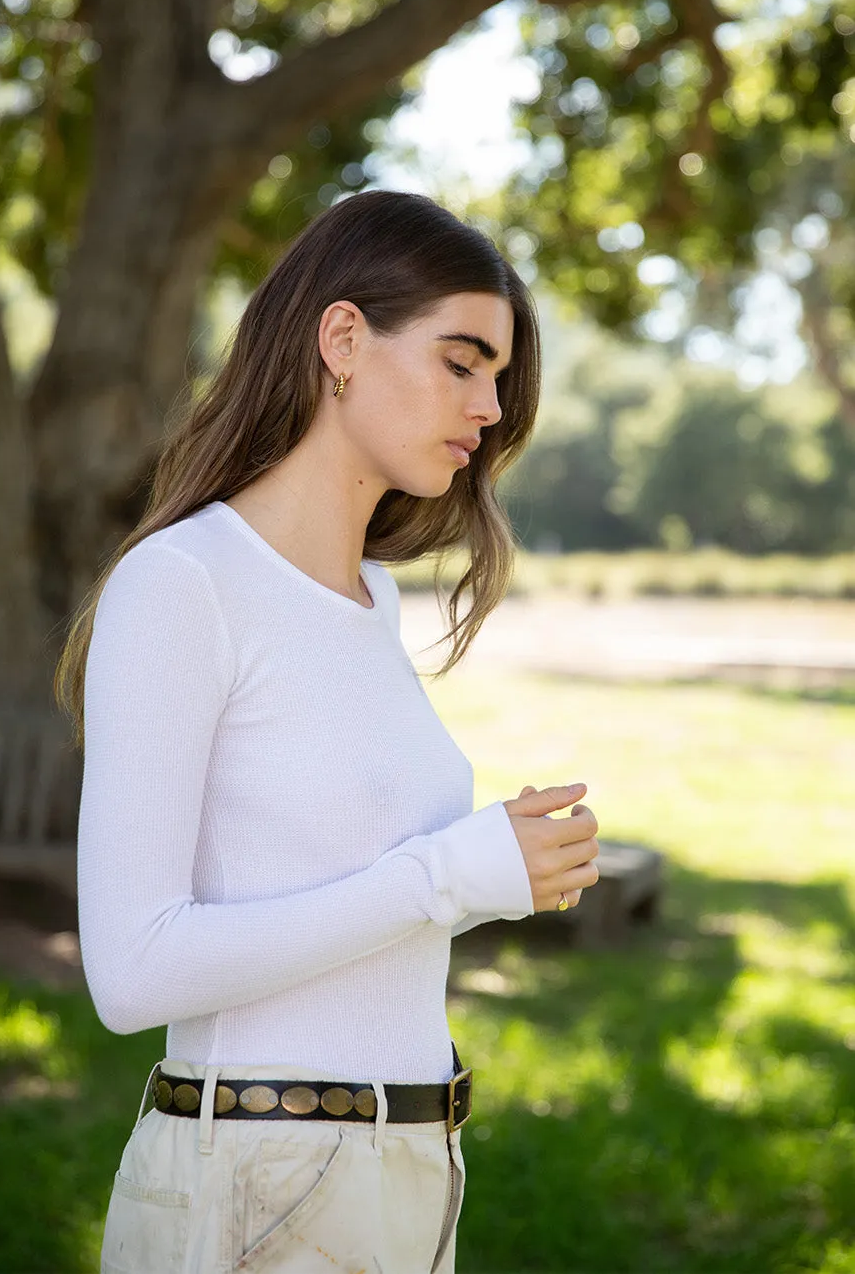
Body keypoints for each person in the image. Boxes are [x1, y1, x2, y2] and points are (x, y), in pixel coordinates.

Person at [55, 188, 599, 1273]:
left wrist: (496, 869)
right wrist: (451, 874)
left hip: (412, 1172)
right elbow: (131, 968)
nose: (489, 406)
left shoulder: (374, 601)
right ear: (342, 338)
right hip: (256, 1183)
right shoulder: (183, 585)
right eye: (461, 362)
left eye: (497, 376)